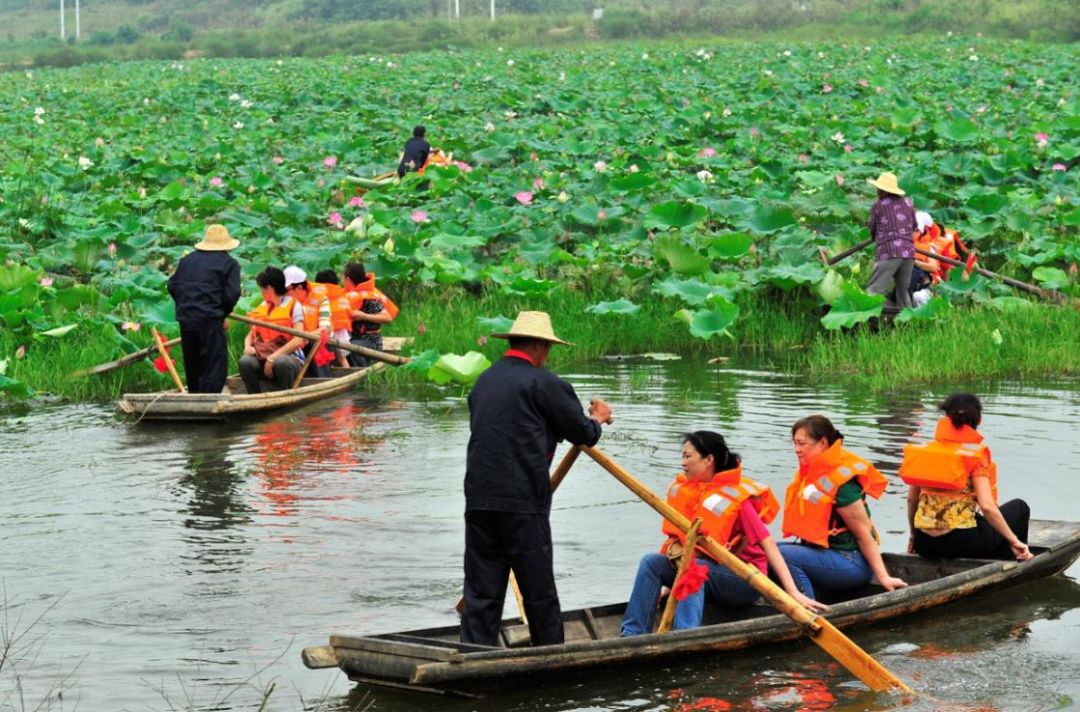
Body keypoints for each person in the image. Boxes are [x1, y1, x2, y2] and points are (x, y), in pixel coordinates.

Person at [461, 311, 613, 647]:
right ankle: (551, 662)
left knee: (481, 593)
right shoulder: (545, 383)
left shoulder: (484, 381)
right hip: (522, 501)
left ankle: (472, 656)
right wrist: (599, 418)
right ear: (540, 346)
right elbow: (583, 433)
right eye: (547, 350)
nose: (547, 357)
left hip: (479, 498)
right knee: (538, 591)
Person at [621, 431, 827, 637]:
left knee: (695, 567)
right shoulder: (690, 491)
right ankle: (632, 633)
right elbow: (677, 542)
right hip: (706, 573)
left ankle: (684, 635)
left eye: (688, 456)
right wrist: (667, 588)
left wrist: (792, 593)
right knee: (650, 562)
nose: (683, 463)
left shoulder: (737, 498)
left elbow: (769, 544)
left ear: (709, 460)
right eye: (682, 456)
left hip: (742, 581)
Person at [779, 416, 908, 599]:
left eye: (802, 444)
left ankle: (808, 608)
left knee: (781, 554)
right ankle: (809, 598)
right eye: (794, 443)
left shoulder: (842, 484)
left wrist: (883, 577)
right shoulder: (812, 474)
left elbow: (863, 533)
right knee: (767, 551)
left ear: (822, 442)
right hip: (824, 555)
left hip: (851, 563)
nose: (796, 449)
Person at [901, 393, 1032, 562]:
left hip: (924, 543)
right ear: (978, 421)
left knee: (979, 520)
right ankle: (1013, 559)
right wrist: (1014, 540)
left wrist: (913, 536)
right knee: (1020, 508)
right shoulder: (974, 455)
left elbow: (912, 500)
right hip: (961, 543)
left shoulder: (926, 452)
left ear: (946, 417)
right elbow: (987, 506)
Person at [166, 224, 241, 393]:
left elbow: (172, 286)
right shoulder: (230, 264)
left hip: (186, 321)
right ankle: (209, 407)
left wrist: (186, 305)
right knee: (213, 367)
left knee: (194, 368)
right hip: (210, 321)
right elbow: (233, 293)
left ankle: (194, 405)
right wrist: (221, 314)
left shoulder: (187, 260)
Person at [238, 267, 305, 394]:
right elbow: (251, 334)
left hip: (289, 357)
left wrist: (272, 358)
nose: (261, 291)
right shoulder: (264, 306)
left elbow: (298, 340)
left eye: (261, 288)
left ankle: (286, 399)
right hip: (264, 355)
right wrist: (247, 347)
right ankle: (256, 398)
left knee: (281, 362)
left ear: (269, 288)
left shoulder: (294, 305)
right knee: (245, 361)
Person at [865, 171, 917, 309]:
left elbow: (873, 228)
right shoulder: (909, 203)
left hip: (889, 252)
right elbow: (914, 226)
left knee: (874, 289)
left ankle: (865, 322)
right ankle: (908, 325)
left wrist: (874, 235)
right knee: (902, 292)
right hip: (908, 253)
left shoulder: (878, 206)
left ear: (881, 190)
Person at [343, 262, 398, 367]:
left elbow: (388, 318)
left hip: (370, 339)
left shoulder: (371, 297)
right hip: (351, 337)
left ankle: (359, 372)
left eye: (343, 278)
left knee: (351, 347)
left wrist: (363, 315)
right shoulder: (346, 295)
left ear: (348, 280)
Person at [283, 266, 334, 377]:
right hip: (294, 341)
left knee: (315, 343)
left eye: (286, 290)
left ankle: (321, 382)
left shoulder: (321, 298)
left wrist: (303, 337)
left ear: (299, 288)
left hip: (316, 341)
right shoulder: (285, 301)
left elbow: (324, 329)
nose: (283, 293)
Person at [313, 269, 354, 368]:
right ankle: (347, 374)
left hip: (326, 332)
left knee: (328, 358)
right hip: (341, 332)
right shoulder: (342, 297)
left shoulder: (319, 297)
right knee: (342, 359)